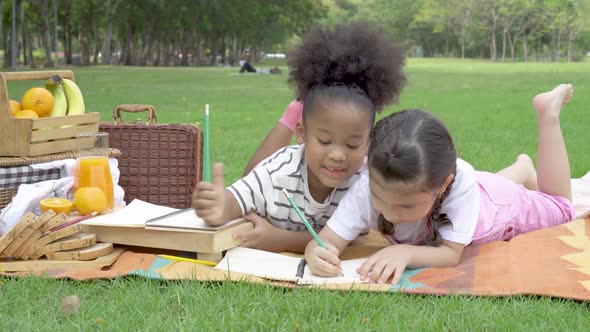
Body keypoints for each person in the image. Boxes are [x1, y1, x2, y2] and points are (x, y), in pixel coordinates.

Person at [304, 84, 575, 284]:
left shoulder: (459, 185)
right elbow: (327, 239)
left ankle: (547, 115)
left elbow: (450, 254)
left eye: (406, 205)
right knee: (484, 187)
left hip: (498, 207)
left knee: (562, 209)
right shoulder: (370, 182)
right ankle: (521, 169)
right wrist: (318, 252)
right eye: (379, 198)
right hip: (478, 191)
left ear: (444, 184)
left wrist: (404, 252)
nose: (390, 213)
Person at [192, 22, 406, 253]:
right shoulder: (279, 169)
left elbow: (351, 237)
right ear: (301, 134)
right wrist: (219, 207)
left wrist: (280, 240)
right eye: (324, 141)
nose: (337, 155)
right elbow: (235, 200)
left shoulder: (366, 180)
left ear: (368, 143)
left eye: (353, 144)